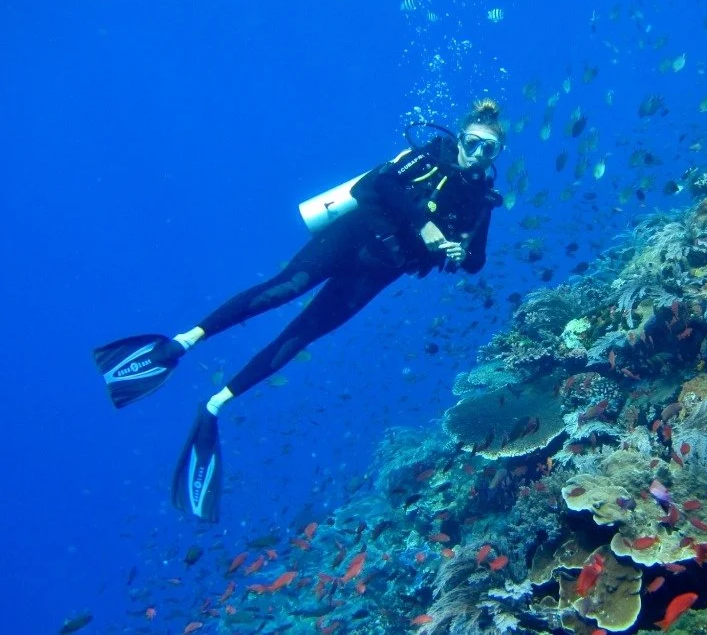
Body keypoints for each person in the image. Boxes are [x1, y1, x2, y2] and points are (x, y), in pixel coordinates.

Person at [93, 99, 506, 521]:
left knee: (303, 333)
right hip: (351, 240)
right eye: (472, 142)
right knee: (283, 289)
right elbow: (368, 189)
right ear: (459, 137)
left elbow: (476, 263)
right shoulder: (423, 159)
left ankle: (215, 405)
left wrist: (460, 249)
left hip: (377, 273)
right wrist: (423, 223)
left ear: (496, 155)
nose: (476, 154)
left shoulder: (481, 201)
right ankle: (178, 345)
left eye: (488, 149)